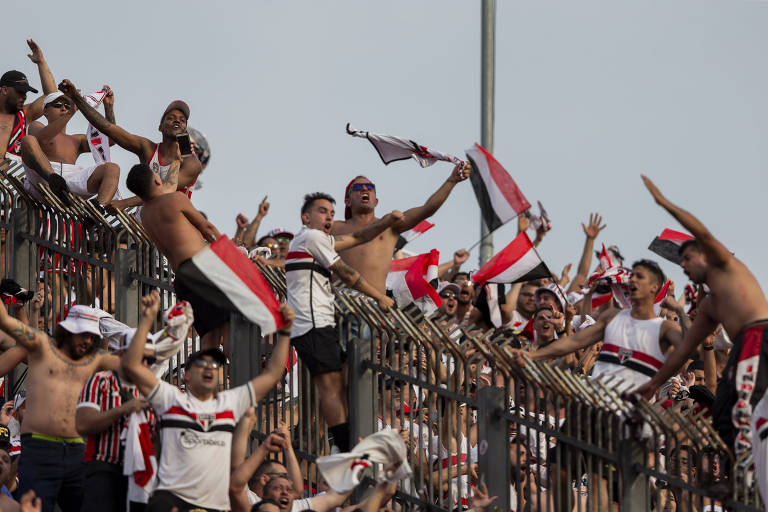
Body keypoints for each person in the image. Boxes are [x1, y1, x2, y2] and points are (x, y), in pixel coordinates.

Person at [511, 259, 686, 511]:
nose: (632, 281)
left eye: (640, 277)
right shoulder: (613, 316)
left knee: (597, 479)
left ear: (654, 287)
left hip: (621, 415)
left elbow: (686, 348)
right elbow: (574, 342)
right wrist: (533, 356)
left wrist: (680, 312)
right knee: (559, 472)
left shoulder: (664, 327)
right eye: (632, 276)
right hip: (588, 407)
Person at [635, 175, 768, 506]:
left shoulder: (726, 267)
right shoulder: (708, 306)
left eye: (686, 259)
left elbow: (704, 233)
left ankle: (749, 481)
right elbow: (682, 350)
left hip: (761, 337)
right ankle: (740, 480)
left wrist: (664, 204)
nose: (682, 266)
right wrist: (656, 383)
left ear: (706, 256)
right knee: (721, 410)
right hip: (746, 348)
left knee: (740, 408)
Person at [121, 292, 295, 512]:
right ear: (185, 375)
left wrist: (286, 332)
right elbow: (132, 367)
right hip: (172, 501)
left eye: (214, 365)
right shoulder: (171, 398)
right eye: (201, 364)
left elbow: (272, 374)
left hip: (213, 505)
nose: (209, 368)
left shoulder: (230, 402)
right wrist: (146, 320)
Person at [286, 192, 400, 452]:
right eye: (322, 211)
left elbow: (359, 237)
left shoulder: (311, 240)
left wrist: (386, 222)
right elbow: (345, 272)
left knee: (336, 382)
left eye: (332, 213)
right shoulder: (313, 237)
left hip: (313, 323)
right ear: (306, 217)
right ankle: (345, 446)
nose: (329, 216)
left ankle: (341, 442)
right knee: (330, 388)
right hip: (313, 322)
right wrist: (379, 297)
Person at [0, 304, 120, 512]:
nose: (88, 341)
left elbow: (135, 363)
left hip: (77, 450)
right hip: (39, 449)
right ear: (68, 330)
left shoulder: (94, 359)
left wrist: (158, 328)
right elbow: (6, 321)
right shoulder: (40, 344)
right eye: (82, 334)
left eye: (92, 337)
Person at [56, 79, 202, 207]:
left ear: (185, 129)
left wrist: (124, 203)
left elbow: (164, 191)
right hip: (144, 224)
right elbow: (110, 130)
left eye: (182, 120)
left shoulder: (191, 163)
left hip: (169, 229)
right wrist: (76, 97)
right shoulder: (147, 148)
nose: (177, 121)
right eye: (171, 117)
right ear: (160, 127)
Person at [331, 163, 470, 294]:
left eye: (369, 186)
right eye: (357, 187)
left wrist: (452, 180)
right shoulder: (334, 228)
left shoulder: (389, 225)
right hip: (339, 304)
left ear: (376, 201)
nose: (364, 189)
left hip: (373, 308)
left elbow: (427, 209)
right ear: (347, 201)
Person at [76, 334, 158, 512]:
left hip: (140, 473)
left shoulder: (154, 390)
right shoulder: (100, 381)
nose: (145, 365)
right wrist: (123, 409)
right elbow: (83, 425)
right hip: (104, 468)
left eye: (150, 360)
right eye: (141, 357)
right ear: (121, 354)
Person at [21, 90, 120, 205]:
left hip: (70, 184)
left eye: (67, 105)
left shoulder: (77, 140)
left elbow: (111, 140)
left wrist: (108, 108)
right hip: (43, 178)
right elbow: (43, 138)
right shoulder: (36, 126)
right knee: (28, 140)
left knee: (112, 168)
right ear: (45, 111)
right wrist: (70, 112)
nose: (63, 108)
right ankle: (54, 180)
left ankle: (99, 207)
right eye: (58, 105)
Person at [0, 40, 56, 162]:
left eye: (25, 93)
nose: (24, 97)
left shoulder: (23, 116)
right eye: (20, 92)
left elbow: (51, 96)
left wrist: (41, 63)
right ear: (4, 90)